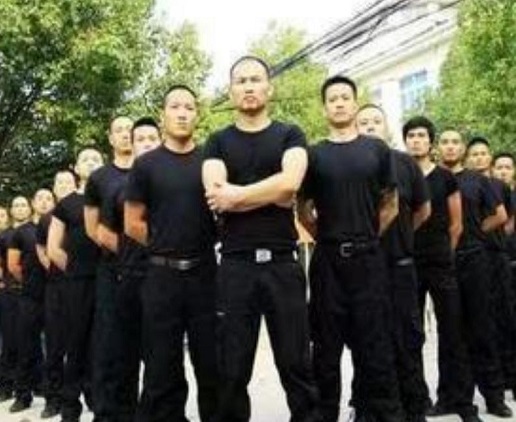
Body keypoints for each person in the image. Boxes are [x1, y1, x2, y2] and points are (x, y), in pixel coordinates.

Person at [203, 56, 320, 422]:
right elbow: (216, 195)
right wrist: (273, 191)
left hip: (283, 265)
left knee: (296, 364)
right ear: (231, 91)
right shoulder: (217, 141)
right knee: (231, 369)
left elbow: (291, 184)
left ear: (269, 88)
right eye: (241, 81)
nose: (249, 87)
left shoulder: (290, 134)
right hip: (235, 267)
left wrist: (238, 196)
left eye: (256, 79)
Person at [297, 75, 403, 422]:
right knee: (325, 351)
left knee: (375, 348)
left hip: (369, 261)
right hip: (328, 264)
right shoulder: (313, 155)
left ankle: (378, 415)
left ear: (355, 104)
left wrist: (366, 237)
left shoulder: (377, 150)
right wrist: (331, 237)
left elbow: (391, 205)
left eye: (345, 97)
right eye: (333, 99)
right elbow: (304, 210)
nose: (340, 103)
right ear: (324, 108)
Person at [126, 89, 218, 422]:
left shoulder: (211, 161)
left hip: (206, 275)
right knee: (161, 366)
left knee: (213, 362)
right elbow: (132, 223)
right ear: (163, 113)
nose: (182, 113)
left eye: (189, 107)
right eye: (175, 107)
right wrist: (164, 245)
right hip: (161, 277)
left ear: (197, 114)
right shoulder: (146, 165)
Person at [357, 105, 432, 422]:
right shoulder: (350, 164)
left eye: (376, 121)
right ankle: (367, 406)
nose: (370, 126)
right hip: (362, 266)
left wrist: (401, 236)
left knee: (407, 338)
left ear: (387, 127)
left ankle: (414, 406)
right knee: (367, 339)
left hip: (400, 264)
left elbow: (423, 210)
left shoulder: (404, 163)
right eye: (364, 122)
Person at [404, 117, 481, 422]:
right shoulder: (398, 173)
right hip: (407, 264)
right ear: (405, 141)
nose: (416, 140)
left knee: (453, 333)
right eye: (411, 135)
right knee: (411, 336)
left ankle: (461, 402)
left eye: (422, 135)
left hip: (440, 263)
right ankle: (418, 402)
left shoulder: (445, 177)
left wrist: (445, 254)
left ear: (430, 142)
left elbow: (456, 224)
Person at [438, 130, 512, 418]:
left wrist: (475, 233)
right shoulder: (433, 179)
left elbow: (500, 215)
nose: (450, 146)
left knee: (482, 329)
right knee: (450, 333)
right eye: (445, 142)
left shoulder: (479, 180)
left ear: (462, 150)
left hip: (475, 259)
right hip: (443, 262)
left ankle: (494, 397)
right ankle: (450, 397)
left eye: (455, 142)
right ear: (438, 147)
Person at [106, 117, 161, 422]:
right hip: (129, 276)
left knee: (160, 355)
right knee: (124, 355)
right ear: (132, 144)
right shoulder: (119, 187)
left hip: (164, 277)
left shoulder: (174, 180)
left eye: (152, 138)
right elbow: (107, 233)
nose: (147, 144)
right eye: (140, 139)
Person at [48, 148, 104, 422]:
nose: (91, 163)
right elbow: (53, 248)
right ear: (76, 168)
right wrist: (74, 271)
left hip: (109, 281)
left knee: (104, 345)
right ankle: (70, 406)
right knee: (77, 342)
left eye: (96, 159)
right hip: (77, 283)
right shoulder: (66, 204)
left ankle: (100, 402)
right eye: (85, 159)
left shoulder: (113, 196)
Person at [84, 116, 133, 422]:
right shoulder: (99, 178)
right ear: (110, 138)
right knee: (109, 344)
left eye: (130, 130)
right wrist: (132, 253)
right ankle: (106, 413)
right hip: (112, 269)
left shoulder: (149, 169)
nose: (126, 135)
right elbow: (94, 230)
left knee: (148, 345)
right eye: (119, 130)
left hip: (151, 271)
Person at [466, 137, 516, 401]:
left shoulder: (500, 187)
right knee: (483, 320)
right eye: (474, 154)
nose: (479, 158)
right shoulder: (464, 185)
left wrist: (484, 234)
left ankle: (510, 375)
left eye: (483, 153)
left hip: (498, 257)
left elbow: (507, 220)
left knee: (506, 317)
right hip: (475, 259)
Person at [8, 190, 55, 412]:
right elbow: (13, 266)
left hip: (55, 297)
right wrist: (29, 282)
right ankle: (22, 395)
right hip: (29, 298)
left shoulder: (59, 228)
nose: (44, 202)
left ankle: (53, 398)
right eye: (40, 199)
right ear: (33, 204)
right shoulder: (21, 232)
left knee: (54, 349)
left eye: (49, 198)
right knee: (26, 347)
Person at [36, 170, 77, 419]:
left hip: (82, 286)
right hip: (56, 286)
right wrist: (59, 267)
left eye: (68, 182)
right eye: (59, 182)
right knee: (54, 345)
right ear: (54, 188)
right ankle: (54, 398)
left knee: (84, 343)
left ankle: (90, 394)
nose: (63, 185)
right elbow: (43, 250)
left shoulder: (84, 209)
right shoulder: (46, 219)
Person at [0, 205, 16, 402]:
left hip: (8, 292)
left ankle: (7, 383)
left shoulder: (11, 236)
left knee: (8, 339)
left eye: (2, 215)